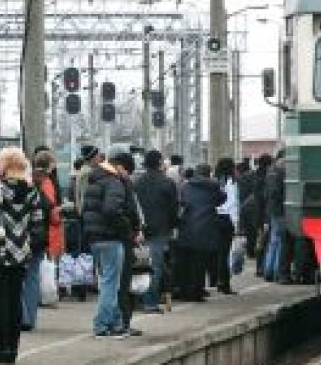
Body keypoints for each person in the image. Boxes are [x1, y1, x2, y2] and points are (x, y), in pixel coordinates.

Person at [0, 147, 44, 364]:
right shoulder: (32, 190)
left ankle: (1, 349)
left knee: (0, 301)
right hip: (21, 252)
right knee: (14, 300)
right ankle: (13, 349)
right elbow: (38, 222)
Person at [82, 144, 139, 337]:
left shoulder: (95, 179)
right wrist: (127, 229)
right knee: (110, 283)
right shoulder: (113, 182)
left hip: (94, 237)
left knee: (107, 280)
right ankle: (101, 325)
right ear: (119, 166)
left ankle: (116, 324)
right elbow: (111, 210)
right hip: (110, 237)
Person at [134, 150, 178, 314]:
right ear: (160, 163)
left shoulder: (136, 182)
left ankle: (137, 299)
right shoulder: (167, 183)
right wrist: (173, 226)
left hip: (140, 229)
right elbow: (174, 208)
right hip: (160, 229)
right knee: (155, 266)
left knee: (139, 265)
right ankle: (150, 302)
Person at [173, 164, 225, 302]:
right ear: (209, 173)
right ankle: (196, 292)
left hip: (187, 227)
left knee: (186, 262)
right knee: (200, 263)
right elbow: (222, 199)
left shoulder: (185, 186)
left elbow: (181, 202)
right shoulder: (213, 186)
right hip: (205, 228)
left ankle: (184, 291)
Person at [21, 151, 59, 331]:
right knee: (32, 278)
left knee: (19, 278)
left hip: (19, 239)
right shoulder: (45, 187)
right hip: (39, 239)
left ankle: (23, 317)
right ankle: (31, 319)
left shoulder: (19, 189)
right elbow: (54, 216)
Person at [212, 157, 240, 295]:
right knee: (225, 254)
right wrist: (235, 222)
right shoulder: (229, 182)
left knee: (219, 254)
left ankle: (219, 281)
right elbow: (231, 203)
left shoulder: (215, 180)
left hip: (214, 219)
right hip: (226, 219)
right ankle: (224, 283)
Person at [262, 150, 288, 282]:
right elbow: (281, 193)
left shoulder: (270, 172)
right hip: (281, 211)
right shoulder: (282, 173)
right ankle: (277, 271)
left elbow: (267, 193)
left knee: (273, 242)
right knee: (281, 242)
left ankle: (268, 270)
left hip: (272, 210)